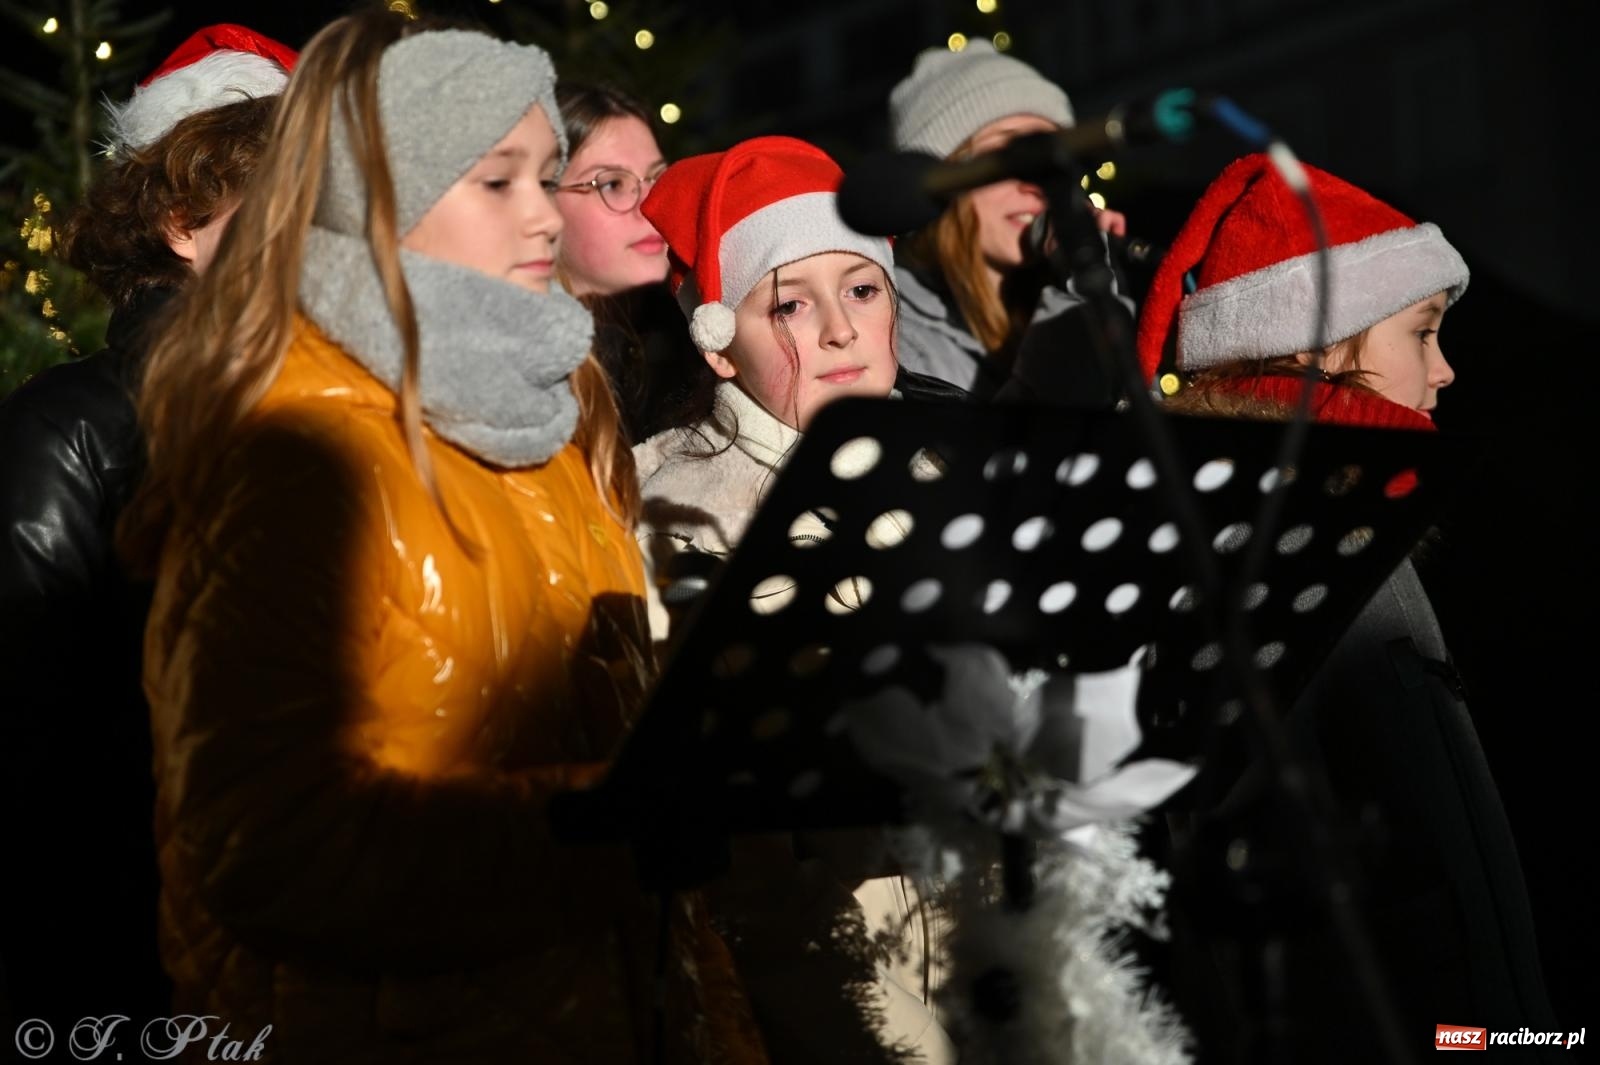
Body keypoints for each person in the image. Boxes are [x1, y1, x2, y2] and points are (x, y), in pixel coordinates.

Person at [117, 10, 765, 1062]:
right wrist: (615, 820)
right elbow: (276, 854)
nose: (547, 217)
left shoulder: (542, 432)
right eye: (495, 179)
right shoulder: (297, 455)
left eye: (548, 174)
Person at [1137, 153, 1559, 1061]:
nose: (1444, 371)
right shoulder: (1273, 537)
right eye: (1422, 332)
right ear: (1318, 344)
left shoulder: (1354, 509)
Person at [633, 134, 955, 1065]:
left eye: (862, 290)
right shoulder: (668, 501)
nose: (842, 331)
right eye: (789, 305)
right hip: (825, 962)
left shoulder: (962, 468)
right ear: (720, 345)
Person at [0, 23, 292, 1032]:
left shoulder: (341, 416)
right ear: (181, 222)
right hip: (135, 974)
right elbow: (36, 758)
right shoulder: (67, 428)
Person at [887, 39, 1134, 405]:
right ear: (944, 179)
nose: (1038, 182)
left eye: (1052, 156)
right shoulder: (894, 335)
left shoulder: (1058, 288)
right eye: (1010, 155)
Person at [553, 80, 702, 444]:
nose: (651, 204)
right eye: (613, 184)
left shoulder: (692, 339)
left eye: (656, 177)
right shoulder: (522, 376)